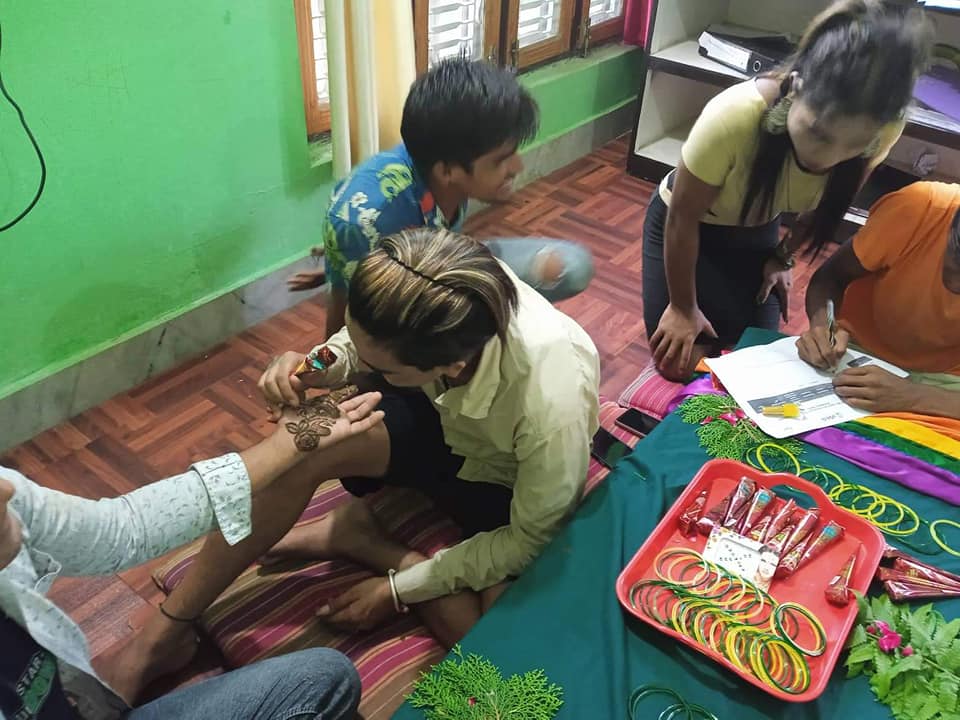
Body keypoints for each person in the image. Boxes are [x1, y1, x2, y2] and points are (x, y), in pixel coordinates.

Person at [108, 227, 600, 702]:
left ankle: (367, 542)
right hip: (430, 409)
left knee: (497, 649)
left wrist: (398, 588)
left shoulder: (551, 398)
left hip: (499, 477)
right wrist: (308, 369)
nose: (366, 375)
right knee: (301, 445)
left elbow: (526, 540)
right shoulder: (432, 297)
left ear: (451, 364)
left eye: (383, 371)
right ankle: (161, 636)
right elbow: (354, 345)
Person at [1, 390, 386, 719]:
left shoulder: (8, 494)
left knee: (323, 676)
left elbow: (123, 528)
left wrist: (284, 444)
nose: (5, 492)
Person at [643, 0, 932, 381]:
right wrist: (682, 307)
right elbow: (683, 217)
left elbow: (825, 206)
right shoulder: (735, 115)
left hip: (757, 228)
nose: (828, 158)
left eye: (852, 146)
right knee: (680, 365)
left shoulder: (882, 131)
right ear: (796, 87)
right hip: (686, 225)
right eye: (818, 133)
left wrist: (783, 258)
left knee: (753, 362)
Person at [287, 56, 595, 338]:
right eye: (501, 160)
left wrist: (339, 262)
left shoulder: (442, 157)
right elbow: (352, 324)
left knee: (570, 267)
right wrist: (342, 269)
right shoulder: (368, 222)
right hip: (405, 300)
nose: (517, 167)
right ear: (447, 170)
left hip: (440, 260)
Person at [797, 181, 960, 419]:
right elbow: (831, 278)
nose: (955, 287)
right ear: (950, 229)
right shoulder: (921, 207)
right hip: (852, 353)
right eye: (956, 266)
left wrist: (914, 396)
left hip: (947, 382)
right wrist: (825, 327)